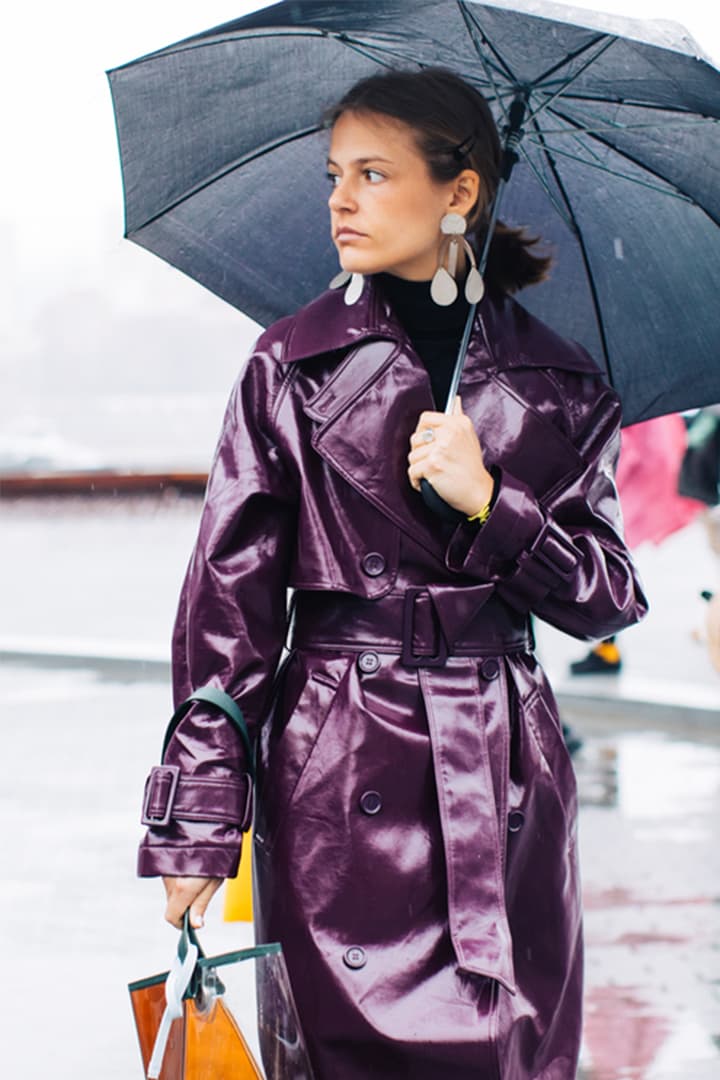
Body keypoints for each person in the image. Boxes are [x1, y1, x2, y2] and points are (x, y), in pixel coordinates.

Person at [137, 68, 647, 1080]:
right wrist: (198, 826)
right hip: (339, 763)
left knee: (511, 1053)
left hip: (502, 769)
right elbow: (226, 611)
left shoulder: (565, 381)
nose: (339, 199)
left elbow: (605, 597)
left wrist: (489, 499)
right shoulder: (288, 366)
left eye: (373, 174)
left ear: (458, 194)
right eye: (335, 173)